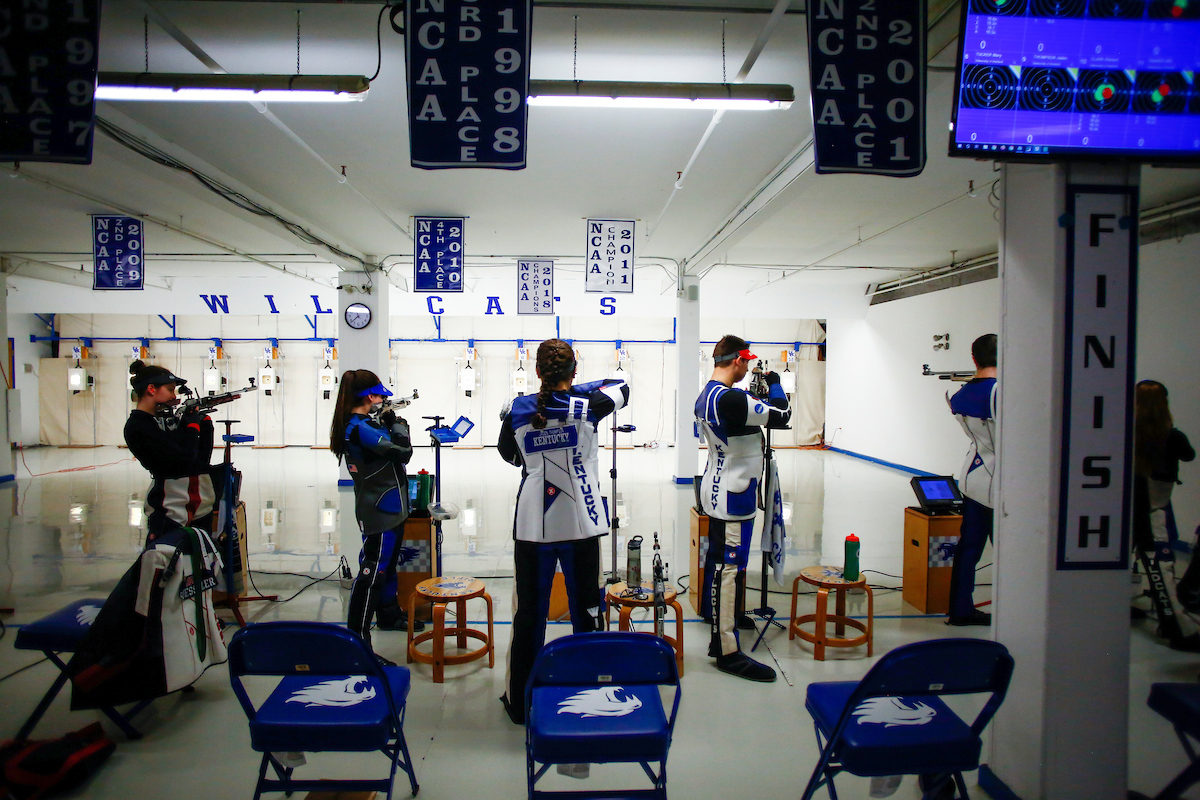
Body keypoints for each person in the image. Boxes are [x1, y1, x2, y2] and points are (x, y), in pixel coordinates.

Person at [497, 339, 629, 725]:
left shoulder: (519, 409)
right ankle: (591, 691)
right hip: (581, 519)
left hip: (533, 522)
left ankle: (520, 704)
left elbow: (509, 454)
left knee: (529, 616)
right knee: (588, 610)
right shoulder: (590, 406)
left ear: (537, 372)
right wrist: (579, 389)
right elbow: (621, 384)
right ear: (574, 371)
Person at [695, 335, 791, 682]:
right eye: (746, 362)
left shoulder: (708, 394)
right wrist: (776, 385)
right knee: (729, 568)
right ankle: (727, 650)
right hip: (734, 496)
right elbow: (782, 414)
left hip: (719, 487)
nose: (749, 368)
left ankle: (720, 616)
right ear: (736, 361)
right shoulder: (731, 398)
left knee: (719, 563)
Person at [330, 369, 422, 665]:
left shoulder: (364, 424)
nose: (383, 399)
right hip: (380, 510)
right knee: (372, 573)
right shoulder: (357, 428)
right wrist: (397, 424)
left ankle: (388, 614)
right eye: (380, 395)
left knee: (387, 567)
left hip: (391, 506)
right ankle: (358, 641)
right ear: (370, 396)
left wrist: (386, 421)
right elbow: (403, 452)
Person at [1131, 379, 1197, 650]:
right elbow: (1189, 455)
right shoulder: (1173, 436)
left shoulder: (1127, 432)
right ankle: (1176, 626)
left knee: (1125, 562)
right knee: (1161, 567)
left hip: (1129, 509)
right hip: (1154, 510)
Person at [124, 360, 216, 547]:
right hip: (171, 508)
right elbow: (183, 461)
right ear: (152, 389)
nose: (174, 395)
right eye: (170, 389)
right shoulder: (138, 427)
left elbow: (200, 462)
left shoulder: (163, 421)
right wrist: (191, 427)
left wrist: (204, 427)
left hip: (198, 504)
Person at [945, 333, 998, 627]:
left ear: (974, 358)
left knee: (968, 549)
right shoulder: (999, 392)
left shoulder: (962, 394)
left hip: (973, 477)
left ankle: (960, 609)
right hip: (999, 481)